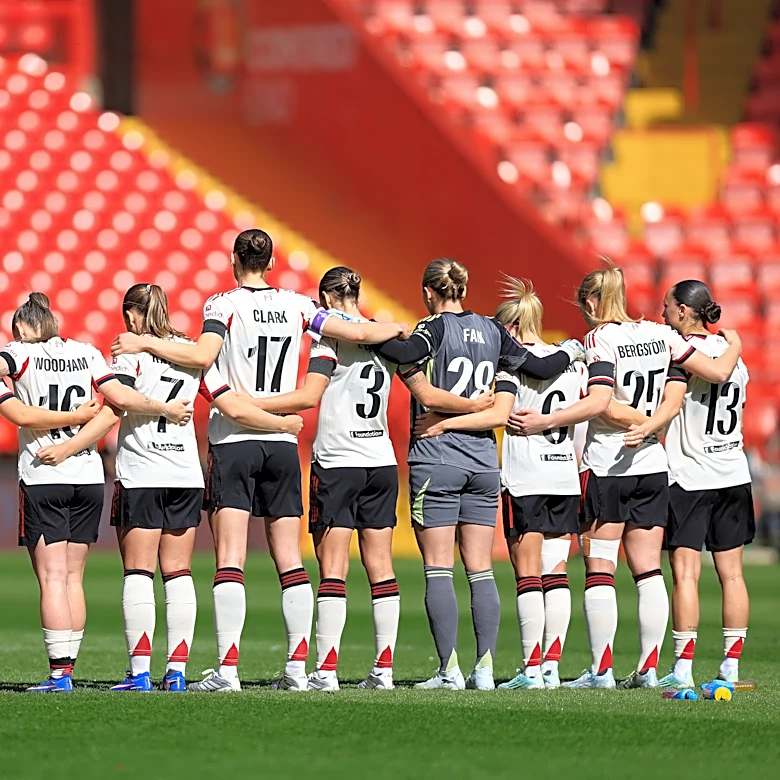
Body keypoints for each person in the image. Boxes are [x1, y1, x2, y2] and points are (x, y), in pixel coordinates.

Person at [111, 229, 410, 692]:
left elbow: (203, 355)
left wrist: (146, 344)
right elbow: (356, 331)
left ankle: (227, 671)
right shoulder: (299, 305)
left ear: (234, 259)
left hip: (234, 440)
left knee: (230, 558)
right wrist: (399, 327)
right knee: (290, 560)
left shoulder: (222, 304)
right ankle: (297, 671)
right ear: (271, 263)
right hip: (283, 447)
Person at [38, 284, 305, 692]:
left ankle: (140, 673)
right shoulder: (192, 353)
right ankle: (177, 673)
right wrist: (282, 424)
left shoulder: (129, 352)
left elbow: (114, 408)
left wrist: (70, 446)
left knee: (139, 571)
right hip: (185, 475)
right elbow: (230, 404)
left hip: (142, 473)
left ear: (132, 315)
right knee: (179, 573)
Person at [254, 266, 492, 691]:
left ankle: (326, 672)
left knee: (333, 568)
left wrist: (249, 404)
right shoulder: (387, 339)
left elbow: (312, 394)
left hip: (338, 460)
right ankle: (383, 671)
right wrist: (475, 405)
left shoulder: (330, 338)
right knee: (381, 566)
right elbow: (425, 393)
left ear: (327, 299)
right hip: (381, 461)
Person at [512, 265, 742, 689]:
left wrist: (547, 420)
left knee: (600, 568)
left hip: (609, 464)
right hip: (652, 466)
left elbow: (602, 401)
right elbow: (705, 377)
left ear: (591, 303)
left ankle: (601, 672)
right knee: (648, 571)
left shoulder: (600, 338)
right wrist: (652, 423)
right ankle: (649, 669)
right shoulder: (660, 333)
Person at [373, 258, 584, 690]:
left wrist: (374, 330)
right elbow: (541, 368)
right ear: (464, 290)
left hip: (437, 457)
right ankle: (484, 669)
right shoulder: (493, 329)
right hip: (485, 461)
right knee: (481, 569)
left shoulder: (432, 328)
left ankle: (448, 671)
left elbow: (402, 354)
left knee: (438, 568)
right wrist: (571, 349)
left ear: (428, 292)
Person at [0, 293, 193, 693]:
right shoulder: (87, 352)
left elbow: (19, 410)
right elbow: (116, 401)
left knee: (52, 578)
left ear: (20, 328)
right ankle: (70, 669)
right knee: (73, 577)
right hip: (88, 476)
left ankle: (60, 675)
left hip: (44, 473)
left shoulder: (18, 353)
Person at [609, 281, 753, 689]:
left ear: (685, 312)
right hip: (734, 473)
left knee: (686, 574)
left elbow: (673, 403)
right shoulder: (735, 356)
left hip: (691, 475)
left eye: (667, 307)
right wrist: (736, 344)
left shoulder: (681, 351)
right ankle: (730, 668)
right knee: (733, 575)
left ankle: (684, 670)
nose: (663, 314)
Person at [480, 278, 588, 691]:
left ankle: (530, 669)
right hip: (563, 475)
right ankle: (551, 668)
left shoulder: (511, 364)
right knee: (556, 572)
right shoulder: (573, 364)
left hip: (525, 477)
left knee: (527, 573)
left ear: (509, 328)